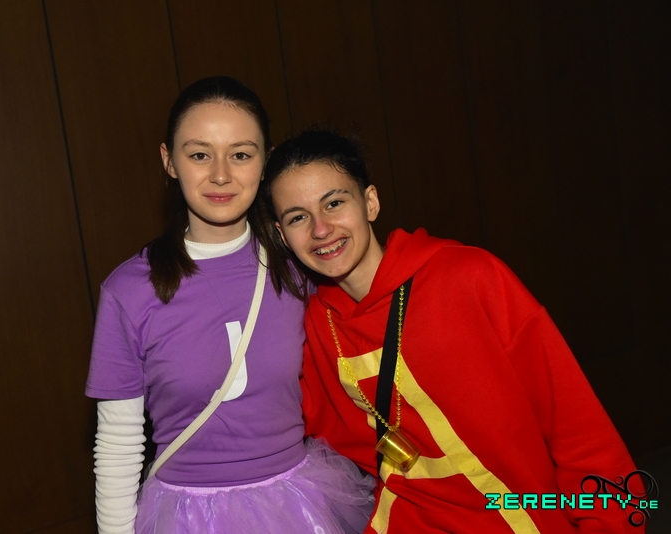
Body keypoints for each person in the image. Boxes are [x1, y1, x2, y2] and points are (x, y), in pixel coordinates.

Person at [260, 128, 644, 533]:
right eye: (298, 217)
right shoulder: (317, 324)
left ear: (370, 202)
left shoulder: (468, 278)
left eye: (334, 203)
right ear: (283, 236)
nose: (321, 229)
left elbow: (578, 430)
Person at [85, 78, 373, 534]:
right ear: (169, 161)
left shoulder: (301, 263)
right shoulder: (130, 290)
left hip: (299, 504)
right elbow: (119, 441)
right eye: (200, 155)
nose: (221, 175)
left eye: (240, 154)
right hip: (186, 515)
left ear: (265, 162)